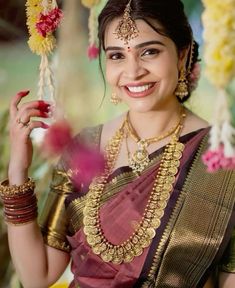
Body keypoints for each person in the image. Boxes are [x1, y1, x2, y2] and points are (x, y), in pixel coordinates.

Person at [1, 0, 235, 287]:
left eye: (149, 52)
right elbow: (37, 275)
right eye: (116, 56)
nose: (133, 71)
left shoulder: (221, 159)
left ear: (182, 55)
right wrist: (17, 168)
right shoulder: (85, 147)